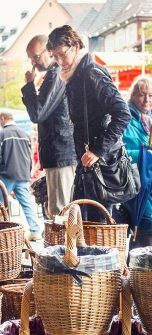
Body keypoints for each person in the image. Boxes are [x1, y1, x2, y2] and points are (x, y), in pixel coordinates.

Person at [47, 25, 131, 221]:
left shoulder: (91, 72)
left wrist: (97, 150)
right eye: (54, 56)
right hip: (88, 163)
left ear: (75, 46)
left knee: (97, 227)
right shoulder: (75, 74)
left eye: (62, 54)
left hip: (102, 163)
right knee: (81, 225)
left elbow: (123, 113)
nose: (59, 61)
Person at [22, 34, 77, 218]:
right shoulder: (55, 73)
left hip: (60, 151)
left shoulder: (56, 74)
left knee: (60, 213)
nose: (33, 63)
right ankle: (67, 246)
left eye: (36, 57)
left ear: (49, 51)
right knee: (63, 212)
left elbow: (38, 113)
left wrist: (29, 85)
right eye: (31, 58)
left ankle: (64, 247)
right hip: (59, 151)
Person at [0, 111, 42, 240]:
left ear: (3, 119)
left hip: (6, 174)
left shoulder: (1, 133)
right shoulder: (25, 134)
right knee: (26, 203)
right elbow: (30, 156)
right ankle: (35, 230)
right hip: (22, 174)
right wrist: (28, 171)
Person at [122, 76, 152, 248]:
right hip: (133, 182)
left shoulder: (148, 119)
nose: (147, 99)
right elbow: (119, 152)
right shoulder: (125, 117)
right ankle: (141, 269)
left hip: (148, 180)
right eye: (142, 95)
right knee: (146, 221)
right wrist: (145, 154)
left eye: (150, 95)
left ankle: (137, 270)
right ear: (133, 95)